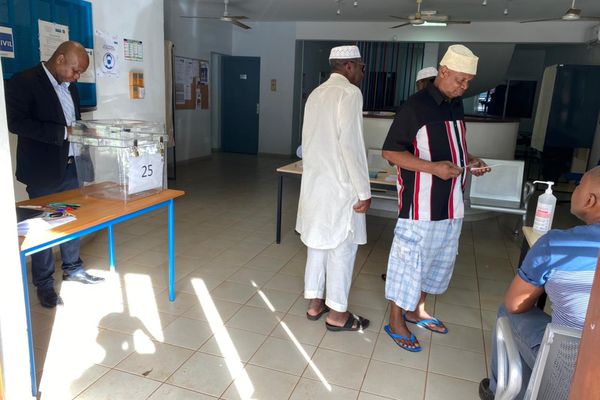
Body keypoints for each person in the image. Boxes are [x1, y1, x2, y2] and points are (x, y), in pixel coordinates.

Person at [381, 44, 490, 351]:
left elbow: (453, 145)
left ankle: (417, 310)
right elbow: (390, 152)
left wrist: (471, 160)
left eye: (469, 81)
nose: (465, 86)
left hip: (451, 202)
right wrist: (432, 169)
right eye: (461, 80)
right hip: (420, 205)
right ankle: (395, 320)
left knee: (437, 261)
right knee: (408, 262)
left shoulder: (456, 104)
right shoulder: (414, 107)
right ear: (443, 72)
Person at [479, 167, 600, 400]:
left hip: (570, 371)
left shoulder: (557, 245)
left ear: (590, 200)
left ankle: (498, 392)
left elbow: (516, 305)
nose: (575, 189)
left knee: (507, 309)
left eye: (579, 184)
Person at [6, 41, 105, 308]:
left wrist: (83, 131)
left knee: (70, 220)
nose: (77, 77)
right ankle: (45, 284)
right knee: (41, 228)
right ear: (60, 59)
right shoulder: (23, 81)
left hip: (71, 165)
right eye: (75, 71)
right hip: (42, 170)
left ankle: (73, 269)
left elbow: (72, 121)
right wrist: (64, 133)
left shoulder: (70, 86)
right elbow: (17, 123)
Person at [296, 45, 371, 332]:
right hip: (341, 187)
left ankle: (315, 304)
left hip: (315, 184)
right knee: (341, 249)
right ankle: (337, 314)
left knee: (317, 245)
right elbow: (351, 146)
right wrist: (364, 191)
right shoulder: (350, 94)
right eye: (361, 67)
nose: (363, 72)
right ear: (349, 66)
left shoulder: (316, 94)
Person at [381, 65, 439, 282]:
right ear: (420, 85)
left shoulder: (445, 108)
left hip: (434, 189)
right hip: (413, 187)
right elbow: (392, 151)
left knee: (424, 238)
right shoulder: (412, 109)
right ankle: (400, 276)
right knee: (408, 237)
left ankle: (413, 275)